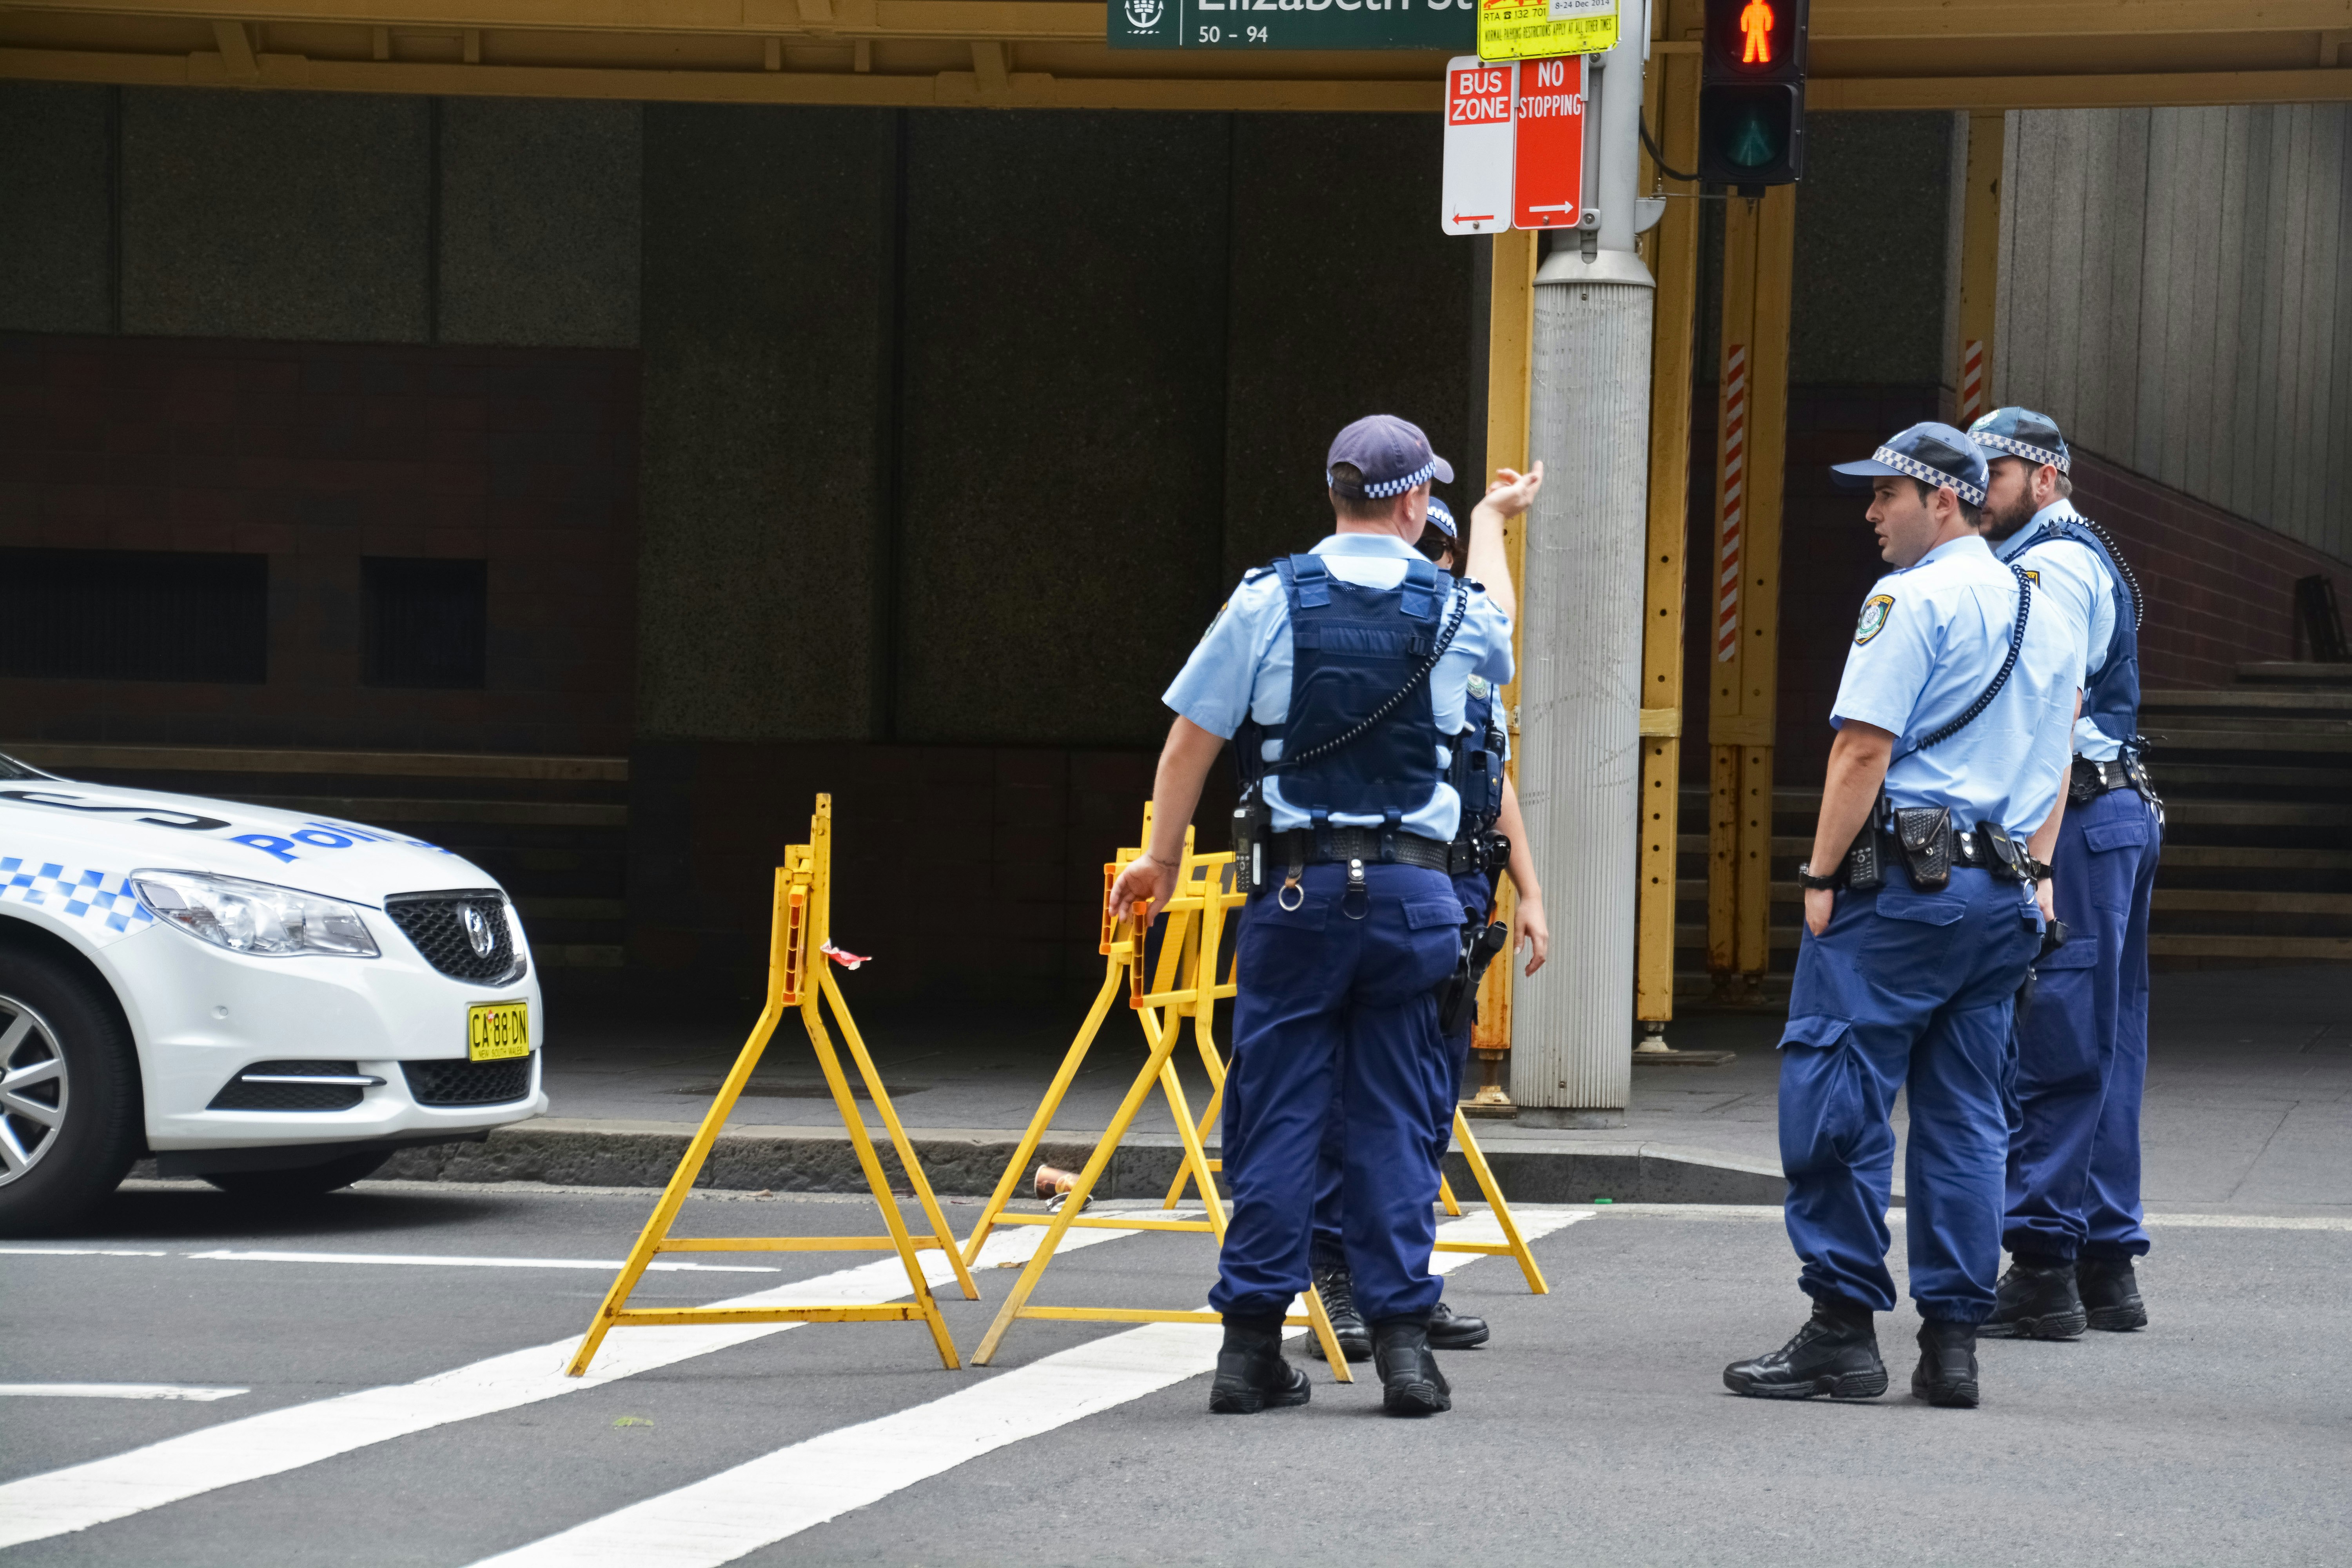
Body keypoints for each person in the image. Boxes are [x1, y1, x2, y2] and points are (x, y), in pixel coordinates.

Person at [1107, 415, 1536, 1418]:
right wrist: (1491, 526)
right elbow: (1499, 660)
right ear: (1414, 502)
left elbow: (1188, 746)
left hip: (1294, 897)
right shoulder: (1456, 605)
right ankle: (1403, 1351)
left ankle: (1250, 1347)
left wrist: (1162, 859)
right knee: (1396, 1118)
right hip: (1417, 900)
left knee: (1277, 1117)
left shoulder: (1267, 599)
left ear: (1336, 492)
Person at [1720, 422, 2078, 1410]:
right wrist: (2036, 872)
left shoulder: (1908, 599)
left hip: (1903, 897)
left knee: (1837, 1094)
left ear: (1946, 500)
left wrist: (1819, 873)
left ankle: (1842, 1327)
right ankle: (1954, 1342)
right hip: (2001, 894)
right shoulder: (2043, 610)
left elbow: (1860, 753)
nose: (1873, 513)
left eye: (1889, 494)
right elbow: (2056, 759)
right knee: (1967, 1119)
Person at [1302, 496, 1552, 1364]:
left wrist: (1530, 891)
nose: (1444, 564)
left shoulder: (1462, 663)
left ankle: (1400, 1284)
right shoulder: (1398, 659)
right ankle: (1336, 1279)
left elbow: (1497, 778)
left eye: (1454, 550)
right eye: (1432, 545)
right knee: (1354, 1103)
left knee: (1422, 1106)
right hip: (1400, 893)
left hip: (1457, 900)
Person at [1968, 408, 2160, 1339]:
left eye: (1993, 473)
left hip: (2074, 815)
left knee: (2057, 1035)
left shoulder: (2047, 565)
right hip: (2108, 809)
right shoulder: (2082, 552)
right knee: (2106, 1041)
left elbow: (2052, 702)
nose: (1977, 489)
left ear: (2045, 478)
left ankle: (2045, 1262)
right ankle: (2105, 1261)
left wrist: (2033, 857)